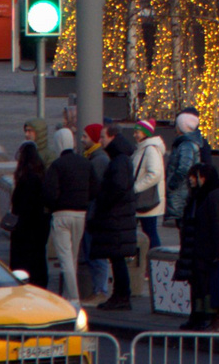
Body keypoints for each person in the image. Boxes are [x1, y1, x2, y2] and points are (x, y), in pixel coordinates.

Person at [172, 157, 219, 331]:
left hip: (209, 253)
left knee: (209, 287)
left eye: (196, 176)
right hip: (197, 252)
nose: (192, 179)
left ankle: (209, 317)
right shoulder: (198, 197)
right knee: (198, 286)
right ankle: (197, 316)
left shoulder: (215, 197)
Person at [88, 125, 140, 310]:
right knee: (117, 258)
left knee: (117, 259)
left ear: (112, 137)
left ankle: (121, 296)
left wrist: (103, 199)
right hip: (118, 217)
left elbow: (117, 188)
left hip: (116, 217)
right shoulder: (120, 158)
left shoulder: (119, 161)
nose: (100, 140)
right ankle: (120, 295)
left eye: (103, 137)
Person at [44, 125, 92, 301]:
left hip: (61, 214)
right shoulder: (85, 163)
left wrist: (54, 205)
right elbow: (95, 188)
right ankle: (67, 294)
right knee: (73, 257)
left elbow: (48, 193)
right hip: (81, 214)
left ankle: (73, 298)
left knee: (65, 259)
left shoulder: (56, 165)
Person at [8, 124, 52, 290]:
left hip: (24, 229)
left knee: (23, 261)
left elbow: (18, 205)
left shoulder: (24, 179)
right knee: (39, 258)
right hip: (40, 225)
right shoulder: (41, 175)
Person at [163, 109, 209, 230]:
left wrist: (172, 183)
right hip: (183, 191)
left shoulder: (186, 145)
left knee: (183, 225)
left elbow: (184, 167)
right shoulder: (188, 143)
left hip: (181, 191)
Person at [132, 118, 168, 252]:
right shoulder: (143, 149)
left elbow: (155, 173)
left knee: (150, 233)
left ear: (146, 133)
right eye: (135, 132)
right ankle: (152, 263)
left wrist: (135, 187)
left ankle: (154, 262)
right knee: (149, 232)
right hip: (146, 199)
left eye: (138, 132)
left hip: (146, 199)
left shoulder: (150, 150)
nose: (135, 135)